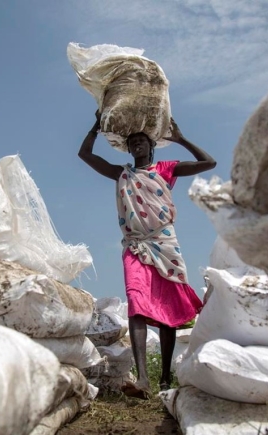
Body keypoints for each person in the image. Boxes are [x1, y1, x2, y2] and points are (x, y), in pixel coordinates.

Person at [78, 112, 216, 399]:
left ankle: (165, 378)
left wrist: (180, 139)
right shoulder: (122, 174)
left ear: (151, 147)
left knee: (166, 311)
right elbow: (85, 154)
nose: (138, 145)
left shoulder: (166, 169)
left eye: (142, 141)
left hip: (165, 245)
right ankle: (143, 379)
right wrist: (96, 126)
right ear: (129, 149)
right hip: (134, 245)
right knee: (137, 302)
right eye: (133, 142)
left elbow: (209, 162)